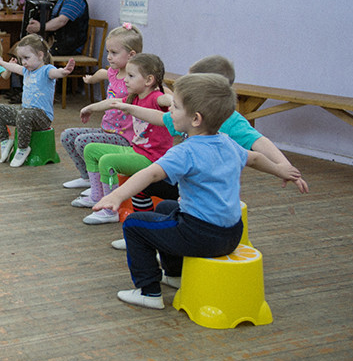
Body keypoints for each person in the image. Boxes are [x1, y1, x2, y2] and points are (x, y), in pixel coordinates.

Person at [94, 73, 308, 310]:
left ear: (195, 118)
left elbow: (152, 174)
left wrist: (116, 195)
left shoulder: (186, 151)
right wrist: (280, 170)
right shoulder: (227, 141)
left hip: (199, 235)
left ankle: (149, 291)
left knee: (135, 225)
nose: (170, 111)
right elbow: (255, 158)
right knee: (166, 207)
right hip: (231, 234)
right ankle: (174, 275)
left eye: (175, 107)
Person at [108, 54, 310, 251]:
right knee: (153, 196)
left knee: (151, 189)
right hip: (191, 182)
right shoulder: (189, 114)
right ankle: (155, 242)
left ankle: (150, 239)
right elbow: (160, 118)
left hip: (209, 192)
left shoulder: (229, 120)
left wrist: (283, 166)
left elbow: (259, 143)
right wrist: (128, 107)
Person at [75, 53, 173, 224]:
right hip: (136, 150)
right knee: (90, 149)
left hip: (153, 159)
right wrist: (89, 108)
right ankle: (96, 196)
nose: (125, 80)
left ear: (149, 80)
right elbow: (111, 103)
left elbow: (167, 98)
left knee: (107, 161)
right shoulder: (134, 98)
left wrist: (173, 102)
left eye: (131, 76)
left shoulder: (156, 98)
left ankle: (110, 210)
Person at [60, 23, 143, 189]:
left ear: (131, 55)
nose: (109, 57)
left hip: (124, 137)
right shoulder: (114, 72)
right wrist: (91, 79)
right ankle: (87, 178)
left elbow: (115, 102)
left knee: (83, 142)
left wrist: (91, 107)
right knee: (67, 136)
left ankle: (98, 183)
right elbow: (103, 73)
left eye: (114, 53)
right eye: (108, 52)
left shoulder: (135, 79)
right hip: (108, 130)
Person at [0, 34, 75, 167]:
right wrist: (1, 63)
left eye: (26, 58)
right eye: (21, 58)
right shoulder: (27, 70)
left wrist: (64, 72)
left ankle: (23, 148)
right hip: (26, 113)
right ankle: (5, 142)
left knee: (24, 114)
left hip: (42, 117)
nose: (23, 62)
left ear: (40, 55)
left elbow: (56, 73)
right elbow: (14, 68)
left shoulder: (46, 70)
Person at [25, 0, 89, 57]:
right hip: (59, 45)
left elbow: (61, 21)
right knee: (24, 49)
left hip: (70, 48)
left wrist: (40, 27)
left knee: (32, 55)